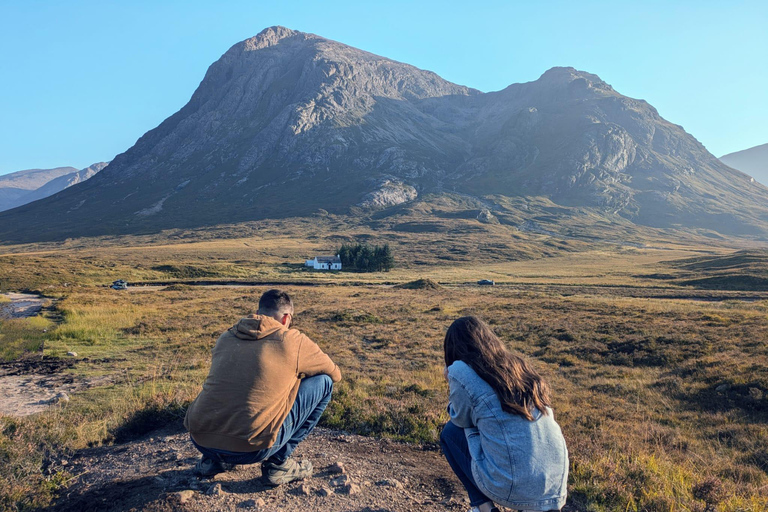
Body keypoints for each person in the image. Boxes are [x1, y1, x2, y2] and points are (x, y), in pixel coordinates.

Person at [184, 289, 342, 486]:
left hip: (201, 441)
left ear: (259, 312)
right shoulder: (292, 340)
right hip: (253, 449)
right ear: (286, 318)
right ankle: (278, 464)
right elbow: (335, 373)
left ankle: (212, 462)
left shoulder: (226, 336)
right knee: (324, 382)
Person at [440, 316, 568, 512]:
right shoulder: (517, 367)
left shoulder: (460, 370)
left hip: (514, 487)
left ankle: (483, 507)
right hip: (555, 487)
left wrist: (451, 378)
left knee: (450, 433)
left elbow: (459, 418)